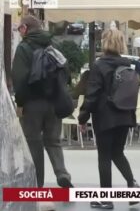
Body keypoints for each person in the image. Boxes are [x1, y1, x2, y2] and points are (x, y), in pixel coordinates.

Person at [78, 29, 139, 209]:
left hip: (105, 116)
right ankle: (132, 185)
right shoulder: (128, 64)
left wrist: (83, 116)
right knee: (118, 153)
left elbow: (93, 94)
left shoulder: (99, 65)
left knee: (104, 156)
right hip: (125, 115)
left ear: (105, 42)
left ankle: (106, 199)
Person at [11, 15, 73, 188]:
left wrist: (20, 103)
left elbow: (19, 79)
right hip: (54, 102)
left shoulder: (24, 48)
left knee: (33, 141)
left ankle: (37, 183)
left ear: (25, 28)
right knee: (53, 141)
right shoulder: (53, 44)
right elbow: (65, 72)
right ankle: (62, 175)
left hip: (32, 104)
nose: (18, 31)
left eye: (19, 28)